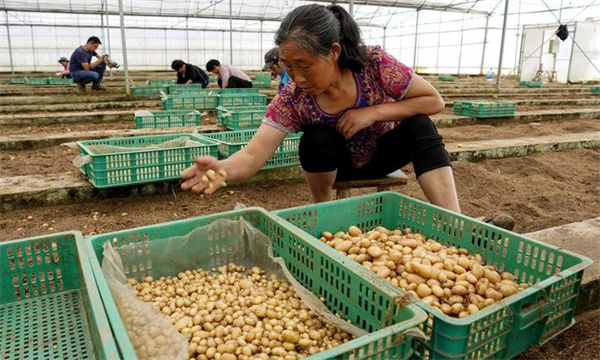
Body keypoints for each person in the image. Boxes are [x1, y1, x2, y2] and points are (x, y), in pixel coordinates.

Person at [182, 4, 514, 230]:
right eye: (289, 66)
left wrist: (374, 112)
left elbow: (433, 100)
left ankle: (454, 224)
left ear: (334, 51)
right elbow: (254, 154)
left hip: (381, 155)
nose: (296, 77)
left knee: (419, 124)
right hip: (334, 165)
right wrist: (223, 168)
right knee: (316, 138)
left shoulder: (375, 65)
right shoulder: (293, 97)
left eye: (304, 65)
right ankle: (327, 222)